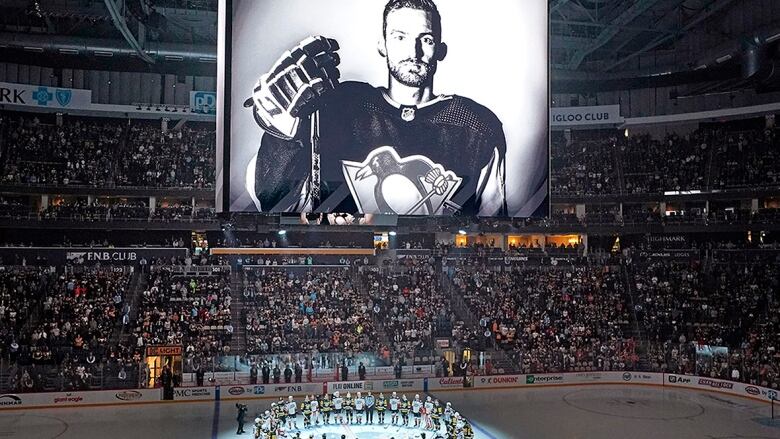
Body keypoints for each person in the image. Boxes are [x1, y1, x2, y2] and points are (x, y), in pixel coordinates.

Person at [246, 0, 507, 216]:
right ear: (382, 45)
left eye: (425, 39)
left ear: (440, 50)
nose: (413, 50)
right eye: (400, 37)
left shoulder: (476, 126)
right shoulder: (340, 106)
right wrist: (280, 133)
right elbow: (276, 205)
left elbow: (491, 220)